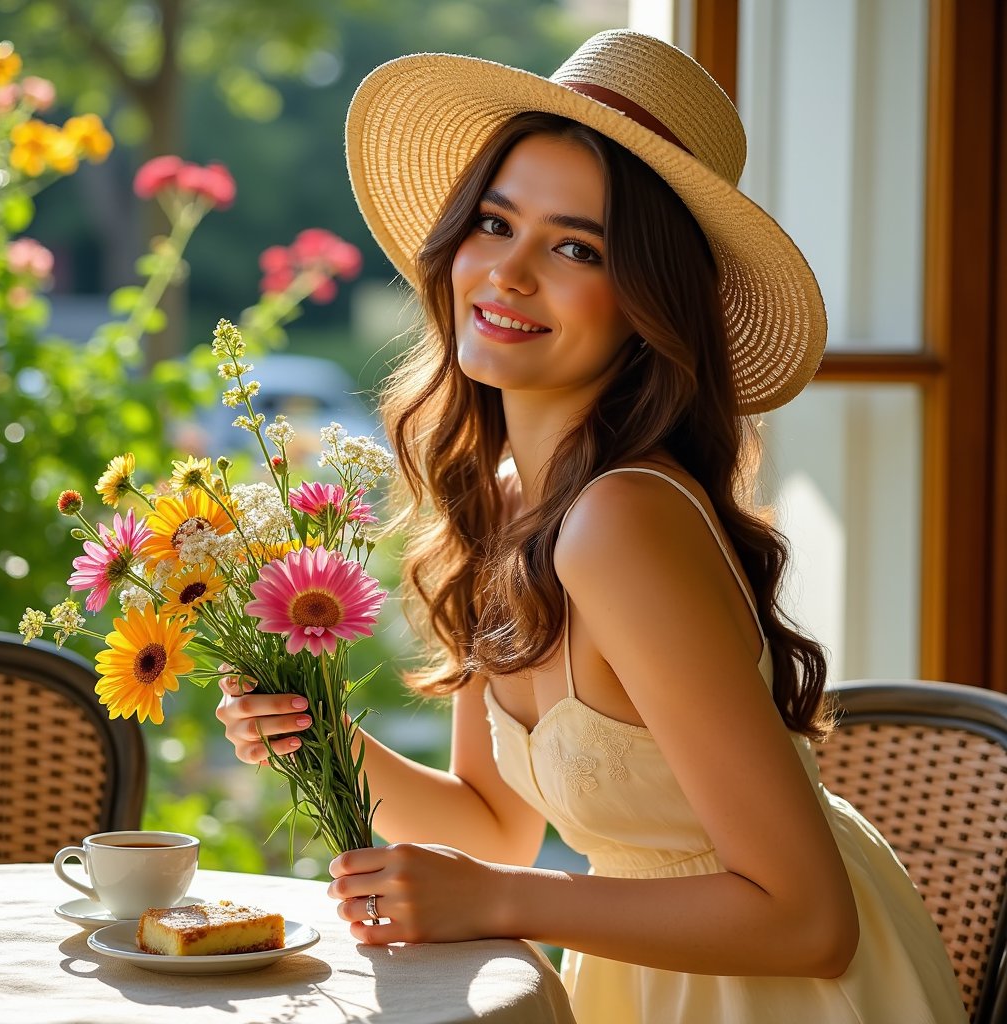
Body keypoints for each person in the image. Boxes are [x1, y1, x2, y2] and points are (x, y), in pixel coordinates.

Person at [217, 30, 967, 1024]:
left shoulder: (619, 519)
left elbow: (807, 917)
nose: (509, 273)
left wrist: (496, 903)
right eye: (494, 222)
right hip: (653, 973)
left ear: (646, 303)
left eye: (577, 246)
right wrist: (311, 735)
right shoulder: (506, 499)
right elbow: (495, 828)